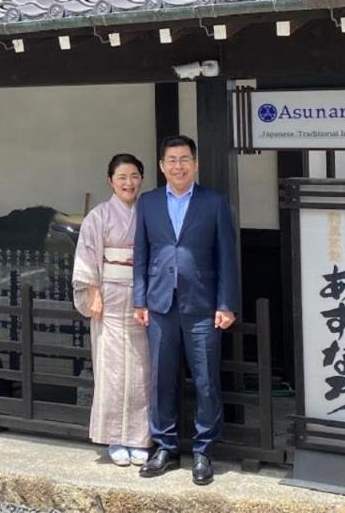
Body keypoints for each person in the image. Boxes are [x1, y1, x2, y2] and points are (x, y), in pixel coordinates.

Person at [132, 135, 239, 486]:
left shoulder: (214, 202)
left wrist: (226, 303)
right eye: (171, 160)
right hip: (160, 304)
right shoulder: (147, 203)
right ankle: (164, 446)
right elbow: (142, 255)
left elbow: (227, 256)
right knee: (161, 377)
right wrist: (140, 299)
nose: (178, 166)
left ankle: (203, 450)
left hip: (203, 306)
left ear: (195, 164)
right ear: (162, 166)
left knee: (206, 379)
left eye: (184, 159)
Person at [72, 153, 152, 466]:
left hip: (142, 298)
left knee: (142, 369)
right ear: (110, 181)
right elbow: (87, 256)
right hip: (108, 297)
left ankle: (140, 437)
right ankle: (115, 438)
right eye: (122, 177)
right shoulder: (99, 216)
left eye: (134, 176)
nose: (128, 183)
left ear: (141, 179)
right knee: (111, 369)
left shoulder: (149, 213)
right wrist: (93, 293)